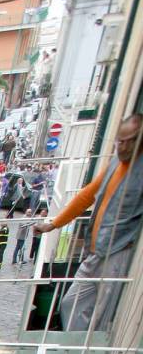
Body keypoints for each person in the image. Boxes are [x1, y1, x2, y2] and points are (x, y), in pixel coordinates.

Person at [39, 113, 143, 330]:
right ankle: (72, 347)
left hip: (118, 251)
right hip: (96, 251)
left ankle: (80, 353)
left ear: (138, 140)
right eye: (118, 141)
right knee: (70, 303)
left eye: (126, 142)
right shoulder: (116, 163)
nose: (120, 147)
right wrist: (54, 224)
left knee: (102, 314)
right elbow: (87, 195)